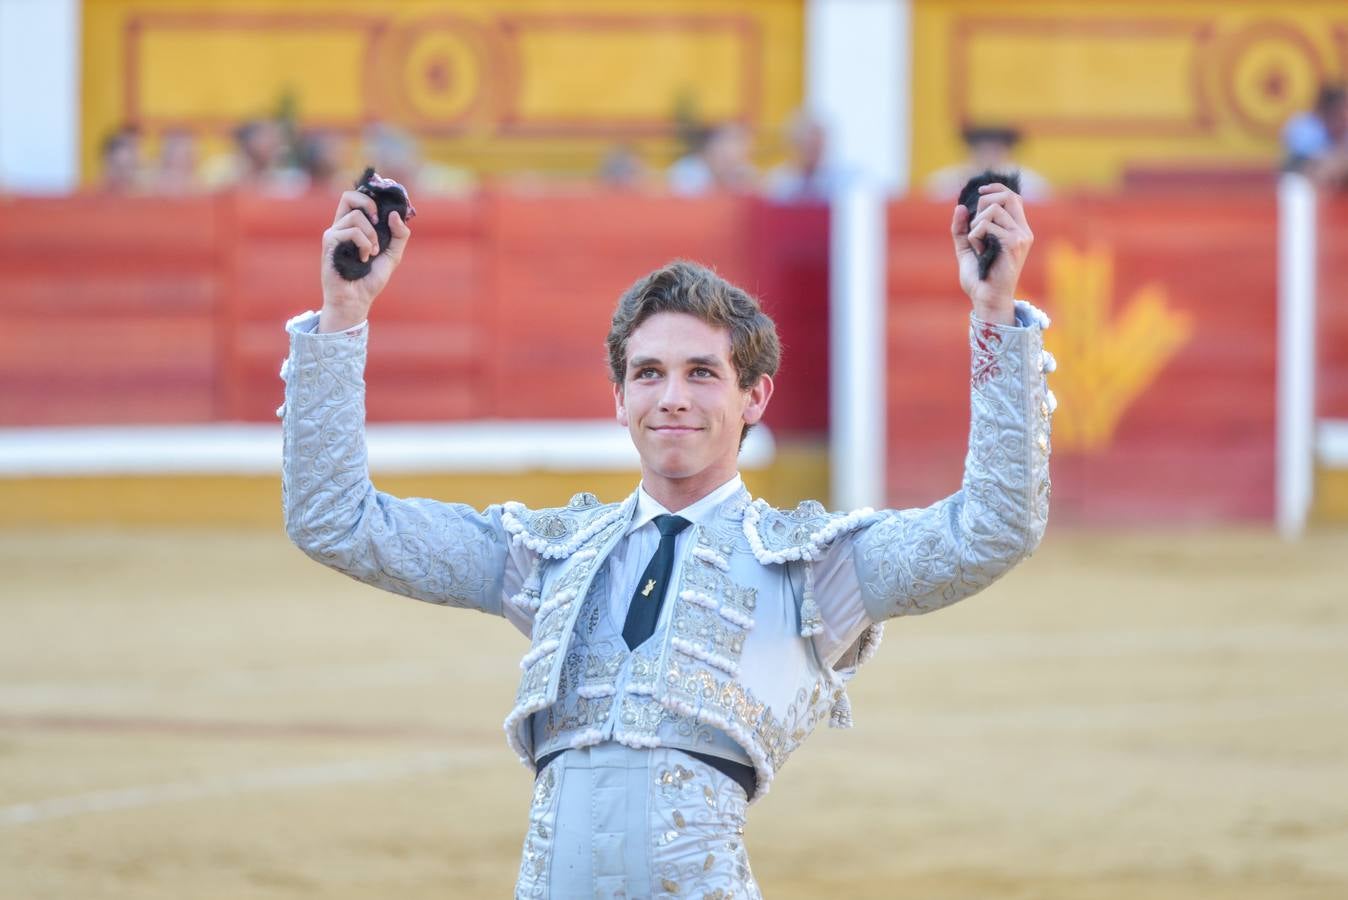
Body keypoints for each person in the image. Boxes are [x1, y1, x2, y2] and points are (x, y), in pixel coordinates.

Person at [279, 178, 1053, 895]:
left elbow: (992, 527)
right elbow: (335, 520)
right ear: (619, 398)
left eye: (702, 373)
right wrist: (344, 316)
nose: (672, 398)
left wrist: (993, 316)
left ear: (756, 396)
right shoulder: (550, 555)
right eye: (648, 374)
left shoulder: (815, 569)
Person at [926, 124, 1050, 202]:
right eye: (982, 150)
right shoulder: (947, 180)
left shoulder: (1028, 182)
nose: (988, 156)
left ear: (1008, 152)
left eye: (995, 150)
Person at [1282, 83, 1348, 188]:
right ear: (1328, 109)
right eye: (1344, 108)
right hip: (1303, 185)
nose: (1346, 114)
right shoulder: (1303, 127)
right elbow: (1300, 164)